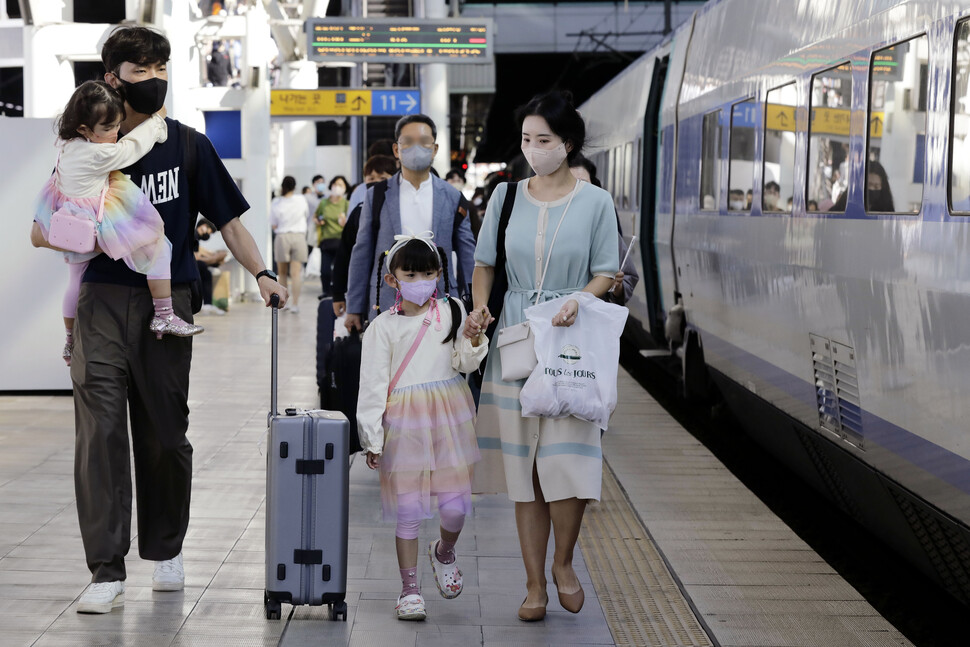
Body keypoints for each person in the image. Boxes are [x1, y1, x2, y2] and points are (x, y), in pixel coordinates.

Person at [29, 25, 287, 615]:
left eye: (161, 66)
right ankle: (105, 568)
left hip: (169, 305)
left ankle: (166, 549)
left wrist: (262, 273)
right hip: (100, 301)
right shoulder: (88, 144)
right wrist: (76, 234)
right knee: (99, 436)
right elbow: (41, 228)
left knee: (166, 434)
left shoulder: (189, 145)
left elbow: (231, 222)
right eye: (141, 69)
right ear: (113, 75)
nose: (154, 78)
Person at [463, 90, 619, 622]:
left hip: (571, 339)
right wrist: (481, 307)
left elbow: (606, 270)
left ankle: (564, 563)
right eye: (528, 139)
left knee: (568, 459)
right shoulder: (506, 198)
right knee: (524, 469)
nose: (534, 149)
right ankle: (533, 586)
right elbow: (485, 264)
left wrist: (579, 300)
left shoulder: (596, 202)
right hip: (516, 338)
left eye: (544, 140)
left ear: (567, 143)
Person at [356, 234, 487, 621]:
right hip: (405, 424)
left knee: (455, 507)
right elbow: (373, 386)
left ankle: (444, 551)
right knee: (409, 509)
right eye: (410, 273)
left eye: (428, 273)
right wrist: (372, 439)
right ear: (392, 279)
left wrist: (474, 337)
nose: (420, 280)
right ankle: (409, 590)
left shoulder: (453, 310)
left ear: (439, 274)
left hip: (449, 420)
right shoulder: (382, 328)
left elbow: (464, 363)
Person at [31, 81, 202, 369]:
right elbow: (129, 150)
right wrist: (157, 122)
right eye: (108, 129)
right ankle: (164, 314)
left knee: (75, 281)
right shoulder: (97, 153)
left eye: (117, 125)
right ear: (85, 129)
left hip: (69, 218)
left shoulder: (69, 145)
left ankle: (70, 340)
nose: (116, 133)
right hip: (97, 219)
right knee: (159, 245)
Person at [345, 114, 476, 332]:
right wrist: (354, 307)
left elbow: (468, 256)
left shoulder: (453, 197)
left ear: (435, 149)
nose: (417, 148)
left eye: (424, 142)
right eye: (408, 142)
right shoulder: (376, 195)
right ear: (397, 150)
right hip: (387, 303)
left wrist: (476, 304)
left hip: (441, 304)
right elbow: (362, 252)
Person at [332, 154, 398, 316]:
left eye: (382, 177)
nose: (375, 182)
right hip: (365, 287)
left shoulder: (400, 211)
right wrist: (338, 293)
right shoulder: (359, 211)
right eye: (370, 178)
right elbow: (345, 253)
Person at [568, 154, 638, 305]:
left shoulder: (603, 223)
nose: (578, 191)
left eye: (584, 184)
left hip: (592, 317)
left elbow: (626, 279)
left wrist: (616, 287)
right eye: (571, 185)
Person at [270, 175, 309, 313]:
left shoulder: (276, 202)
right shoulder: (301, 199)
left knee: (282, 272)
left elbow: (274, 225)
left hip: (282, 237)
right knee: (296, 273)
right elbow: (306, 215)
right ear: (295, 186)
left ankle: (283, 302)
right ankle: (295, 304)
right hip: (299, 236)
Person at [313, 175, 349, 298]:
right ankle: (327, 292)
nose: (338, 187)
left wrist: (346, 223)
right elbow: (316, 216)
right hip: (326, 241)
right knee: (325, 271)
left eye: (341, 185)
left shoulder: (346, 204)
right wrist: (318, 221)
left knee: (339, 270)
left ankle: (338, 293)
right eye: (336, 184)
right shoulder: (324, 203)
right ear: (331, 185)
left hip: (341, 241)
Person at [193, 217, 228, 315]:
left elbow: (199, 253)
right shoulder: (194, 235)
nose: (209, 234)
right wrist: (214, 259)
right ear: (203, 226)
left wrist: (214, 258)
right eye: (210, 231)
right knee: (203, 268)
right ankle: (206, 304)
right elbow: (196, 259)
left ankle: (207, 304)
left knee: (206, 271)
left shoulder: (195, 237)